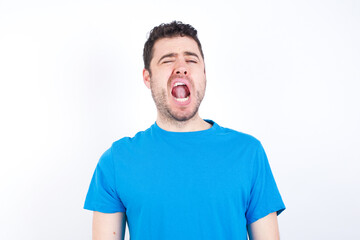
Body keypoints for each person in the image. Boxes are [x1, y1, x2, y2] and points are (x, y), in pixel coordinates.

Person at [84, 21, 285, 240]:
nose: (181, 67)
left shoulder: (248, 153)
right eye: (168, 60)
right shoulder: (116, 161)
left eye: (191, 59)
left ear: (204, 74)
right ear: (147, 78)